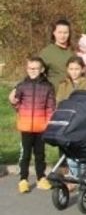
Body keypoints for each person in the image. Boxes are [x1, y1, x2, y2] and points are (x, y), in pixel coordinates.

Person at [9, 57, 55, 193]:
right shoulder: (22, 85)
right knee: (25, 154)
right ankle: (23, 179)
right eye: (30, 68)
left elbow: (50, 107)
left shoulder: (48, 87)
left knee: (40, 154)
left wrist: (49, 123)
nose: (33, 71)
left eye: (36, 68)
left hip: (41, 127)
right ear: (27, 69)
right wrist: (14, 104)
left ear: (42, 70)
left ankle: (41, 178)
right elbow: (16, 103)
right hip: (26, 126)